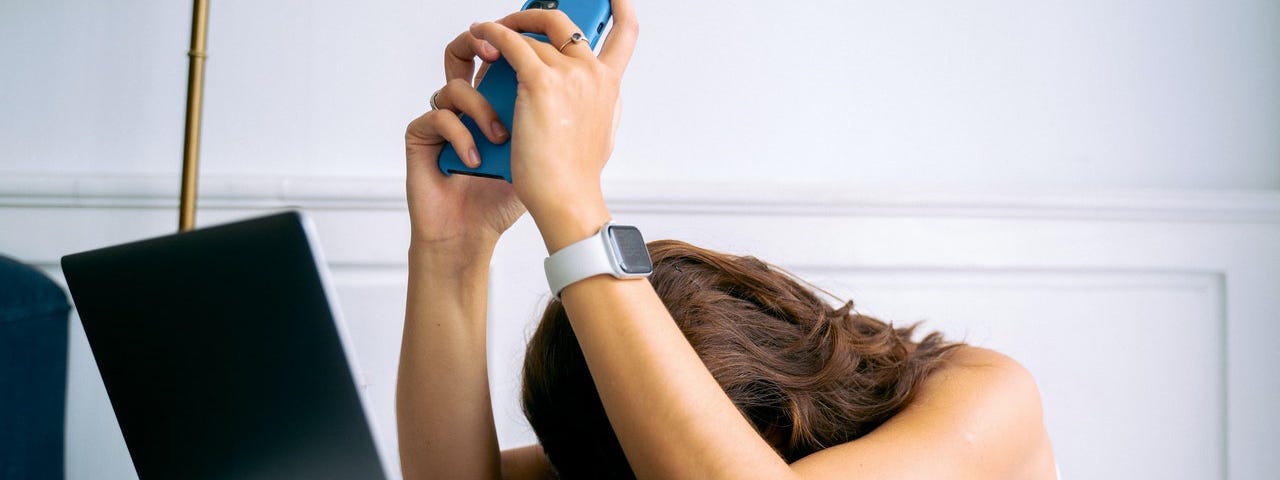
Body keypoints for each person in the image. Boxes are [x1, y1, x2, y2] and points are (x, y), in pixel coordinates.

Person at [396, 1, 1057, 478]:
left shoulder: (987, 398)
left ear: (777, 426)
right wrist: (452, 250)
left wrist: (572, 204)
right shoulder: (621, 446)